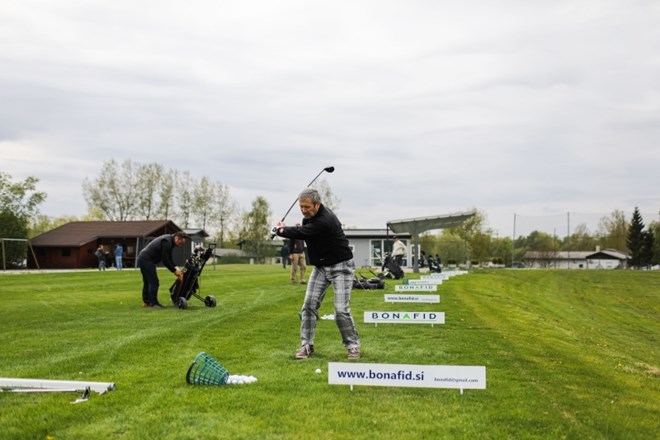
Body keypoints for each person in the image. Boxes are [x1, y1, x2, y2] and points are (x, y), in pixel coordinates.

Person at [274, 188, 360, 360]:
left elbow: (302, 233)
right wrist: (283, 229)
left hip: (341, 266)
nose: (304, 210)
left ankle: (353, 346)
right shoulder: (309, 218)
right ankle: (306, 345)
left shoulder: (325, 220)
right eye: (301, 207)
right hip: (321, 267)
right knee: (308, 306)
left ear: (317, 204)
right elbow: (302, 231)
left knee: (341, 310)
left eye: (307, 207)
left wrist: (280, 230)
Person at [136, 231, 189, 308]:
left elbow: (169, 258)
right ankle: (153, 303)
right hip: (146, 259)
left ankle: (147, 302)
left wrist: (176, 267)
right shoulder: (166, 242)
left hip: (143, 258)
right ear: (176, 238)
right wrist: (174, 271)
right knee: (154, 282)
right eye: (180, 243)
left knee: (147, 281)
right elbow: (165, 260)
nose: (180, 245)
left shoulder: (169, 241)